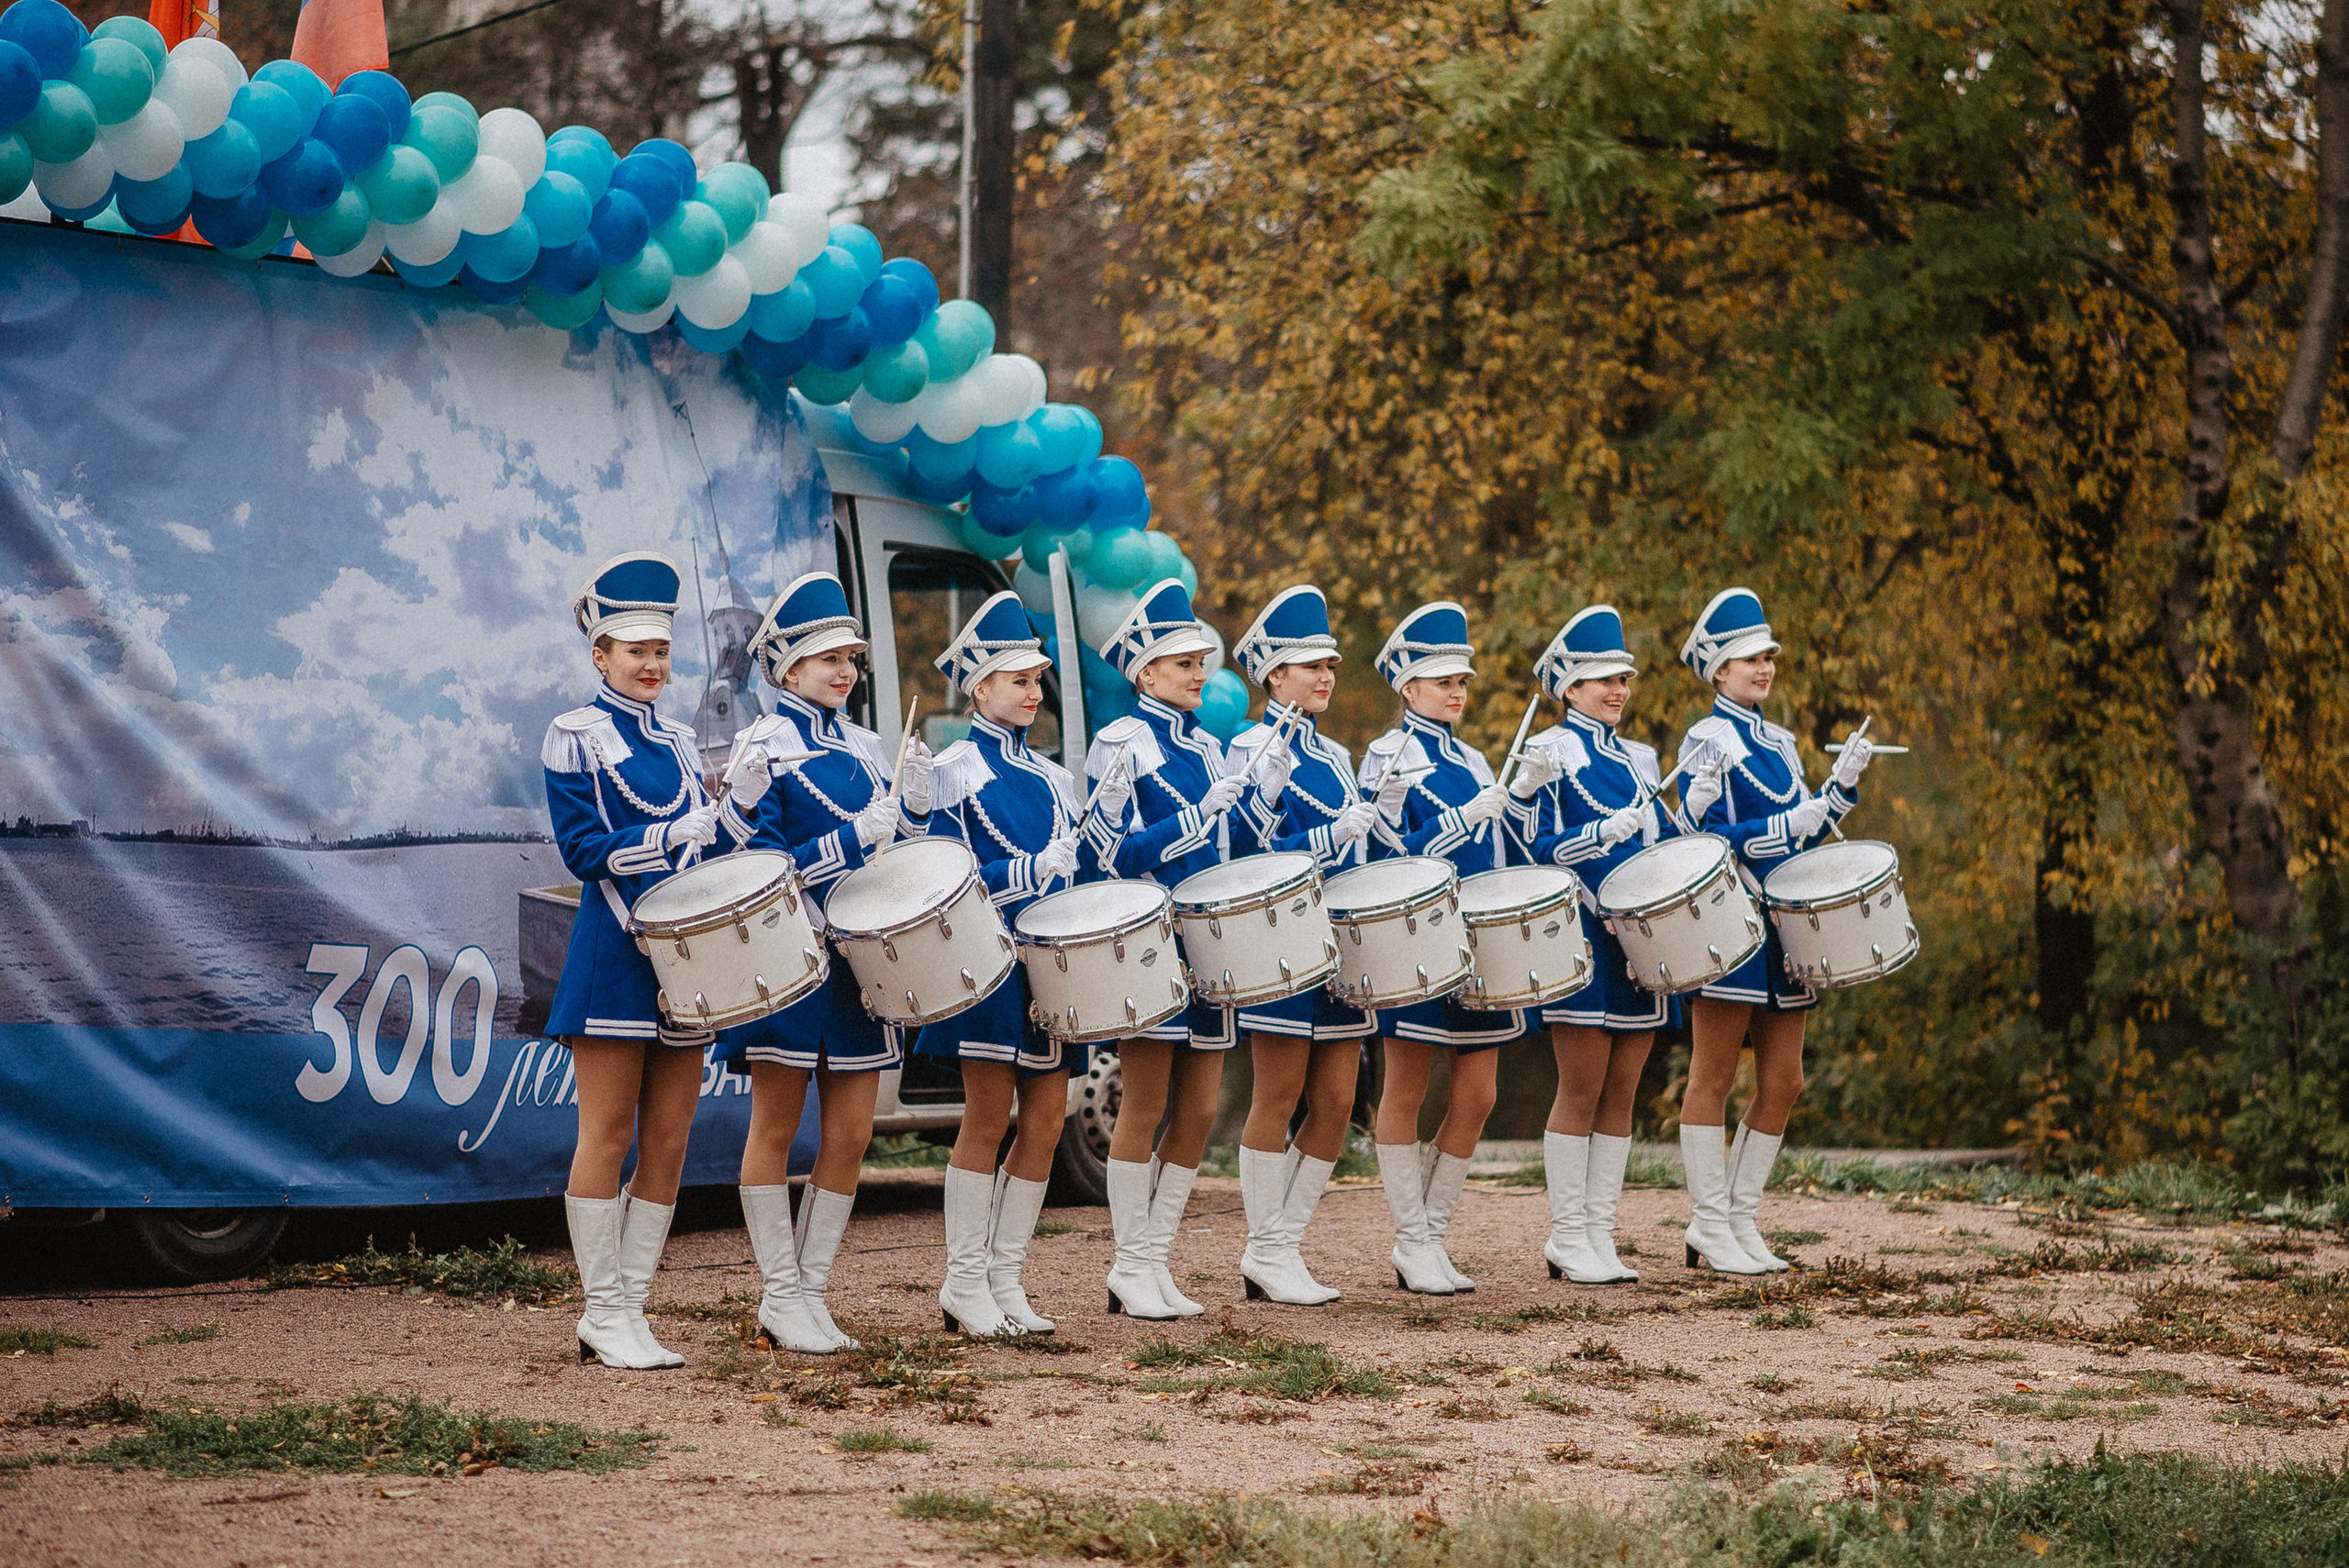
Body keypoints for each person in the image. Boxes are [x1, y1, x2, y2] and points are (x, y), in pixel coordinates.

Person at [715, 573, 932, 1354]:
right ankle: (779, 1293)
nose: (844, 671)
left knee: (851, 1130)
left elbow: (893, 856)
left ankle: (809, 1292)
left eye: (851, 658)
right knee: (777, 1123)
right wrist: (851, 838)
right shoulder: (764, 744)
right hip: (792, 955)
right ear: (785, 669)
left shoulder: (869, 744)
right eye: (826, 659)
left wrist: (912, 811)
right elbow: (754, 866)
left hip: (859, 961)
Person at [540, 552, 725, 1370]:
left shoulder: (682, 742)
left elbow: (710, 848)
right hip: (615, 957)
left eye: (661, 649)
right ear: (599, 654)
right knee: (607, 1132)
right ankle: (600, 1310)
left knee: (671, 1140)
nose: (652, 664)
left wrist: (734, 810)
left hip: (683, 965)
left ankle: (633, 1307)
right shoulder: (574, 735)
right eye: (634, 649)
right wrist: (662, 837)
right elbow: (581, 850)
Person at [1082, 578, 1275, 1319]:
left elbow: (1231, 845)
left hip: (1208, 942)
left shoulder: (1205, 743)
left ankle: (1155, 1260)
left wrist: (1257, 799)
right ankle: (1129, 1265)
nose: (1201, 673)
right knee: (1146, 1102)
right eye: (1186, 663)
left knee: (1196, 1110)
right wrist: (1193, 819)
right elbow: (1109, 856)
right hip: (1149, 941)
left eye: (1203, 661)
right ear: (1145, 673)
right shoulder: (1120, 742)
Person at [1672, 588, 1873, 1273]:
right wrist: (1776, 828)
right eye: (1747, 659)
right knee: (1715, 1073)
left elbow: (1807, 827)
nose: (1762, 668)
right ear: (1718, 671)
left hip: (1785, 932)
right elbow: (1693, 837)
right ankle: (1706, 1222)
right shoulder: (1708, 739)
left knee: (1785, 1079)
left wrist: (1840, 791)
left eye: (1768, 657)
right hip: (1729, 925)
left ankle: (1738, 1215)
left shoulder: (1778, 740)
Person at [1358, 600, 1554, 1295]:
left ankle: (1431, 1236)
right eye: (1443, 681)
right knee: (1406, 1087)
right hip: (1415, 938)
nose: (1457, 692)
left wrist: (1521, 795)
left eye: (1462, 681)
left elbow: (1503, 852)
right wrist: (1462, 818)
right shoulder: (1388, 755)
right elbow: (1383, 854)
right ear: (1408, 687)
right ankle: (1411, 1241)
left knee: (1478, 1094)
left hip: (1477, 941)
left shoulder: (1472, 756)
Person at [912, 591, 1088, 1337]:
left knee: (1047, 1117)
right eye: (1018, 679)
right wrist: (1030, 868)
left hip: (1046, 966)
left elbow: (1070, 877)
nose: (1033, 691)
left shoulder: (1053, 779)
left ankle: (1007, 1278)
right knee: (988, 1114)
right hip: (986, 965)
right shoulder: (950, 768)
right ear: (978, 686)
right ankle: (963, 1281)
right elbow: (950, 871)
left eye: (1038, 679)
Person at [1222, 585, 1382, 1306]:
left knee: (1338, 1099)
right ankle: (1264, 1248)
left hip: (1339, 945)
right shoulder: (1251, 746)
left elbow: (1360, 854)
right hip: (1280, 938)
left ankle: (1283, 1243)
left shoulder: (1340, 756)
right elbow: (1249, 853)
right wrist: (1325, 835)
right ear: (1273, 675)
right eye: (1308, 665)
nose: (1324, 676)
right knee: (1278, 1092)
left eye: (1330, 665)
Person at [1522, 606, 1676, 1285]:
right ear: (1569, 687)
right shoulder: (1547, 752)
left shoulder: (1642, 758)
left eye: (1623, 677)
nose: (1617, 689)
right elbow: (1532, 849)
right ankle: (1566, 1235)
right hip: (1581, 934)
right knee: (1580, 1087)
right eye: (1601, 679)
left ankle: (1599, 1233)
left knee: (1623, 1089)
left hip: (1640, 939)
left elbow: (1668, 844)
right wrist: (1601, 839)